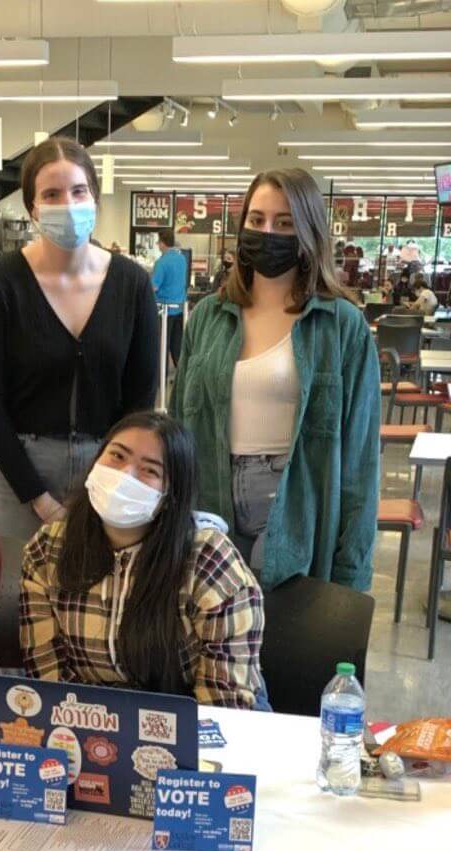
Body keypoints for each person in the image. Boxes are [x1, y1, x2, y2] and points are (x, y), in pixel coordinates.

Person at [170, 168, 380, 591]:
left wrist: (352, 575)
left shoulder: (341, 325)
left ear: (309, 231)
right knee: (215, 642)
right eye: (257, 219)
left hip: (292, 503)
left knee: (279, 640)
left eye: (285, 223)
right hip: (210, 500)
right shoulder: (209, 317)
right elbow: (178, 431)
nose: (268, 233)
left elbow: (360, 461)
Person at [0, 137, 158, 541]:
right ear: (32, 207)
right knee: (9, 592)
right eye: (51, 194)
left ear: (95, 198)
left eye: (78, 191)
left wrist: (112, 471)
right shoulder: (0, 284)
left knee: (91, 592)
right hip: (12, 465)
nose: (67, 204)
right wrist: (37, 496)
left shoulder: (132, 284)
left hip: (103, 461)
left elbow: (141, 396)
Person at [19, 411, 265, 709]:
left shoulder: (210, 561)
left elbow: (224, 705)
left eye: (150, 471)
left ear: (170, 495)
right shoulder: (48, 549)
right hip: (94, 720)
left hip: (193, 718)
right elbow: (48, 678)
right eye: (117, 456)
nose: (125, 476)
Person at [151, 229, 188, 368]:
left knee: (161, 347)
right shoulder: (182, 259)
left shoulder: (161, 262)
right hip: (179, 308)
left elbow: (153, 287)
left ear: (162, 243)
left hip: (164, 310)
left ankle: (162, 378)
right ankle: (181, 378)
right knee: (177, 345)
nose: (158, 245)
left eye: (158, 242)